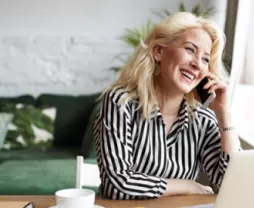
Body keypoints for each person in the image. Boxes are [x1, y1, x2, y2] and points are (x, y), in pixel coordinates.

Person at [93, 12, 240, 200]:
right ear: (159, 52)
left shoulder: (202, 119)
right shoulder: (121, 103)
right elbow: (118, 185)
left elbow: (233, 185)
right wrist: (187, 186)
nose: (197, 64)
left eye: (205, 59)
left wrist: (223, 113)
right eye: (190, 49)